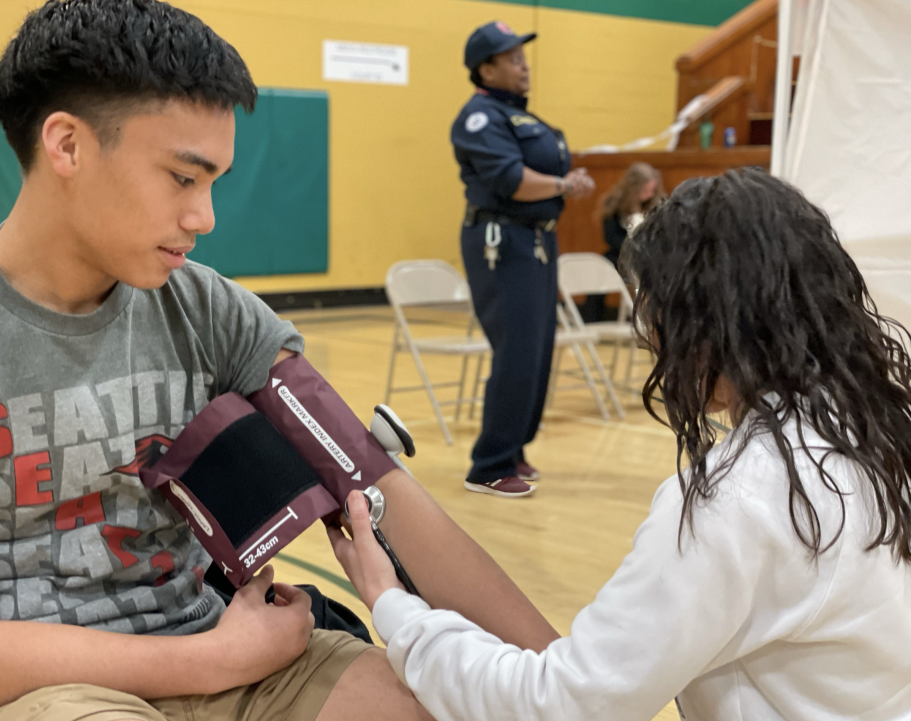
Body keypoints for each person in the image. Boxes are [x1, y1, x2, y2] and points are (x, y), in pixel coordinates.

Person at [0, 1, 560, 719]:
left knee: (452, 703)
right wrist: (210, 659)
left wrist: (565, 683)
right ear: (67, 146)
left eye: (214, 183)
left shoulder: (211, 310)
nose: (204, 217)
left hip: (238, 658)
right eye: (182, 178)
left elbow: (378, 482)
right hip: (50, 692)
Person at [331, 169, 911, 721]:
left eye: (656, 314)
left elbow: (560, 706)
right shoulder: (880, 421)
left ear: (709, 321)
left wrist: (394, 607)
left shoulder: (742, 500)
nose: (649, 339)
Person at [453, 21, 594, 498]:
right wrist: (563, 185)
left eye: (523, 56)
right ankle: (488, 466)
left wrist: (562, 183)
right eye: (512, 58)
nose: (524, 65)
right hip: (502, 240)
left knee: (537, 351)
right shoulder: (479, 118)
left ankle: (513, 449)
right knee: (515, 348)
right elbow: (511, 180)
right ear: (486, 69)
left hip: (536, 239)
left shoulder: (520, 117)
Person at [580, 162, 664, 323]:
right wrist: (631, 248)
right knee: (601, 267)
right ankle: (591, 320)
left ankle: (657, 322)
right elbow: (610, 238)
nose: (649, 194)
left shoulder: (656, 206)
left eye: (651, 191)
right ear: (633, 188)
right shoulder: (614, 204)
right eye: (645, 190)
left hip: (648, 256)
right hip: (620, 254)